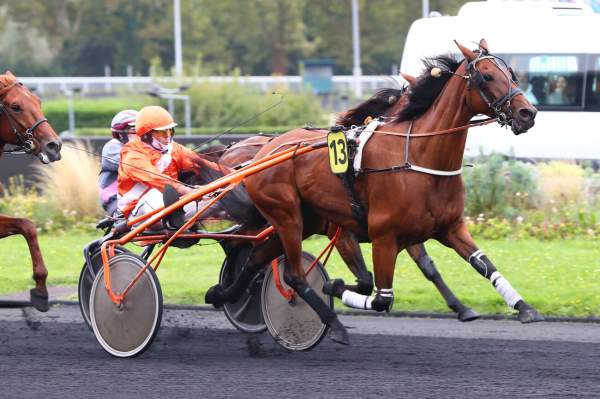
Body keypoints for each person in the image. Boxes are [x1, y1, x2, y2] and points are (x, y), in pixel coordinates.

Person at [117, 105, 215, 228]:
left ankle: (178, 221)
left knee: (216, 195)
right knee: (154, 194)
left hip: (171, 205)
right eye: (161, 131)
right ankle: (174, 223)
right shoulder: (132, 154)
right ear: (147, 134)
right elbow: (153, 177)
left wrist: (233, 174)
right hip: (135, 211)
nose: (167, 135)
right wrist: (185, 190)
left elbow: (202, 164)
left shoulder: (174, 148)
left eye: (170, 130)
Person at [99, 109, 138, 216]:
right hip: (115, 199)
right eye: (133, 129)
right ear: (120, 134)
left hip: (140, 197)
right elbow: (135, 166)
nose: (139, 133)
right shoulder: (112, 147)